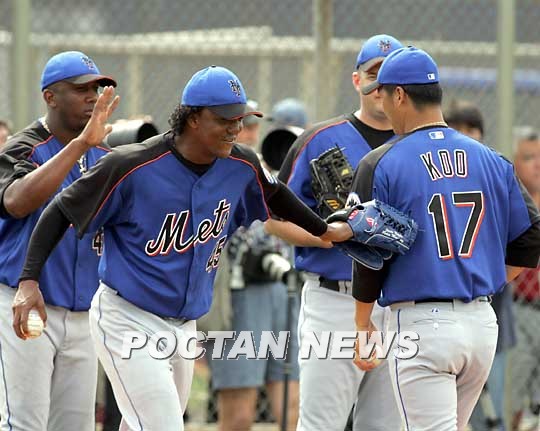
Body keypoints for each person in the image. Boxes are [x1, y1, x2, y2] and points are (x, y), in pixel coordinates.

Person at [14, 65, 350, 431]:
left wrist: (326, 231)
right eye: (224, 120)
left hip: (185, 327)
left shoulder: (241, 164)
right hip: (128, 318)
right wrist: (29, 280)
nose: (235, 128)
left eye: (240, 119)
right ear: (192, 118)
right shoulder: (131, 165)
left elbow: (276, 195)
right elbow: (60, 210)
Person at [353, 46, 540, 431]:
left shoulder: (381, 161)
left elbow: (371, 252)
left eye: (383, 95)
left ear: (400, 95)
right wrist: (488, 278)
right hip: (481, 324)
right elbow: (532, 235)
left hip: (423, 327)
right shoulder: (492, 159)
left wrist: (362, 322)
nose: (381, 105)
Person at [269, 34, 404, 431]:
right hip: (335, 300)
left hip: (399, 303)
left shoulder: (416, 143)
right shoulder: (319, 139)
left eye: (391, 75)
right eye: (373, 74)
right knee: (321, 424)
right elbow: (272, 217)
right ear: (356, 80)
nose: (381, 85)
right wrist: (327, 234)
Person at [0, 51, 118, 431]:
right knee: (24, 423)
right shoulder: (24, 146)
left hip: (84, 312)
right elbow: (16, 202)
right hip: (26, 304)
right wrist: (80, 145)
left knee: (74, 426)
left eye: (96, 89)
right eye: (81, 89)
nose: (92, 97)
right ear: (50, 97)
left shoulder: (106, 156)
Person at [208, 99, 307, 431]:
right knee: (239, 410)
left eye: (250, 126)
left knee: (291, 400)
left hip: (283, 287)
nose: (245, 133)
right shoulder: (214, 170)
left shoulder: (268, 168)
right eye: (237, 126)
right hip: (240, 292)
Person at [444, 99, 516, 431]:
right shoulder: (435, 181)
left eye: (471, 130)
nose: (464, 137)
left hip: (489, 308)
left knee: (490, 407)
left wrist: (495, 279)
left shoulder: (494, 173)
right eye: (456, 129)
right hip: (443, 310)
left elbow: (523, 237)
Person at [509, 128, 540, 431]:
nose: (538, 165)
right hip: (521, 307)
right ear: (515, 164)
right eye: (529, 158)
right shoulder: (513, 204)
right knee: (515, 388)